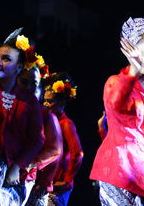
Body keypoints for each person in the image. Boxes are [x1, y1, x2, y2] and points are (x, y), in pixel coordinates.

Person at [90, 17, 144, 206]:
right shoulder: (115, 82)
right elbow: (116, 106)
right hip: (120, 173)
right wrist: (133, 74)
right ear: (133, 49)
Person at [0, 28, 45, 205]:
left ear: (19, 67)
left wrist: (17, 166)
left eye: (6, 59)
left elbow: (37, 140)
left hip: (8, 178)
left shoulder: (29, 101)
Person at [17, 58, 63, 206]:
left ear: (40, 91)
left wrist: (29, 164)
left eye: (34, 85)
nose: (29, 88)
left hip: (24, 177)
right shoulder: (11, 105)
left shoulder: (45, 114)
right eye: (24, 82)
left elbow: (55, 149)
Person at [43, 72, 84, 206]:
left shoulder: (66, 124)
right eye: (44, 100)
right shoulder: (47, 121)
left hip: (58, 184)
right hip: (47, 180)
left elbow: (77, 154)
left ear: (62, 102)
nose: (46, 104)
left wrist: (67, 179)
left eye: (50, 101)